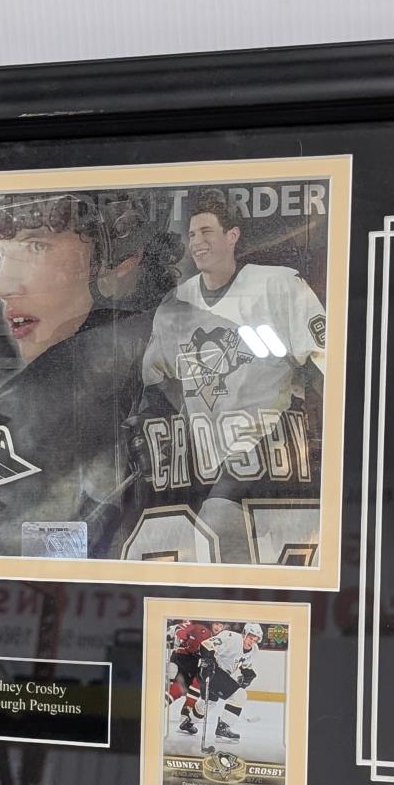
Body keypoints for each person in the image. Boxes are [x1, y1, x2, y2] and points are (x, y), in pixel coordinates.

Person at [0, 190, 182, 556]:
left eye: (36, 247)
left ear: (124, 256)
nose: (1, 285)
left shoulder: (29, 409)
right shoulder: (202, 362)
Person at [131, 188, 328, 564]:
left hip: (267, 447)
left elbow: (327, 363)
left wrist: (334, 444)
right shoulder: (176, 304)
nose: (197, 242)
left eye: (207, 231)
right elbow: (157, 387)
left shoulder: (279, 285)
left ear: (232, 236)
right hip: (203, 456)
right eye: (192, 234)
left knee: (216, 531)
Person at [179, 620, 263, 748]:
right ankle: (223, 727)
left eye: (255, 640)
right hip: (211, 671)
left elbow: (245, 665)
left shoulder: (254, 650)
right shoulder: (230, 637)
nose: (252, 642)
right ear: (244, 634)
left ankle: (188, 723)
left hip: (220, 675)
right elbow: (206, 644)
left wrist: (248, 674)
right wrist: (208, 660)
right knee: (239, 695)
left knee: (209, 702)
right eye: (250, 638)